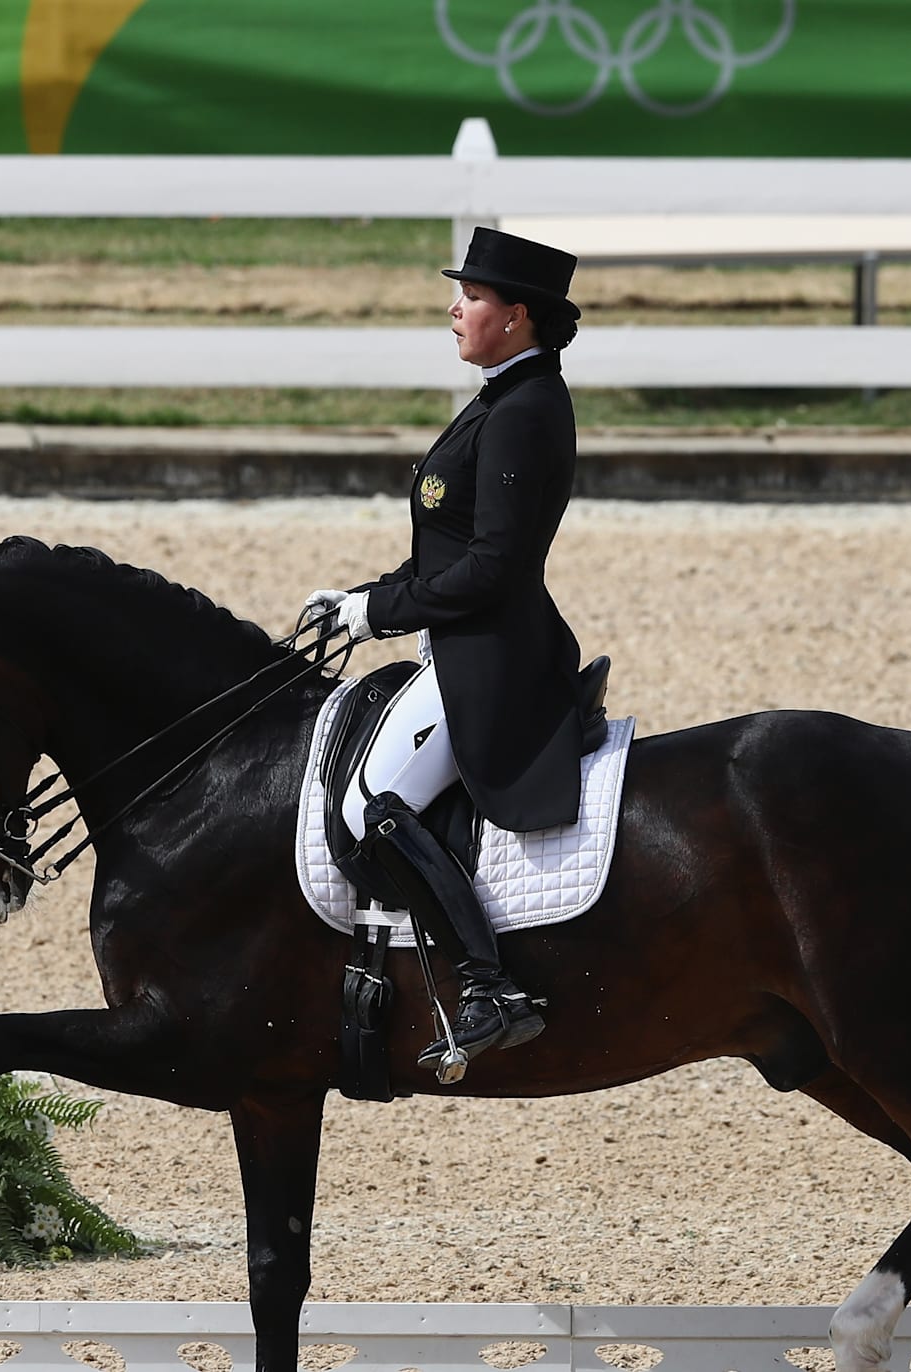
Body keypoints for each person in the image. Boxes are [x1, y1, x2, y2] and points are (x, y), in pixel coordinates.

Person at [303, 226, 587, 1077]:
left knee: (368, 807)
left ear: (518, 316)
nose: (454, 308)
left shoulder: (525, 410)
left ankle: (489, 985)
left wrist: (380, 612)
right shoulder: (503, 395)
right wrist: (362, 597)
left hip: (489, 657)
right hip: (462, 638)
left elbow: (495, 567)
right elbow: (450, 547)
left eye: (471, 297)